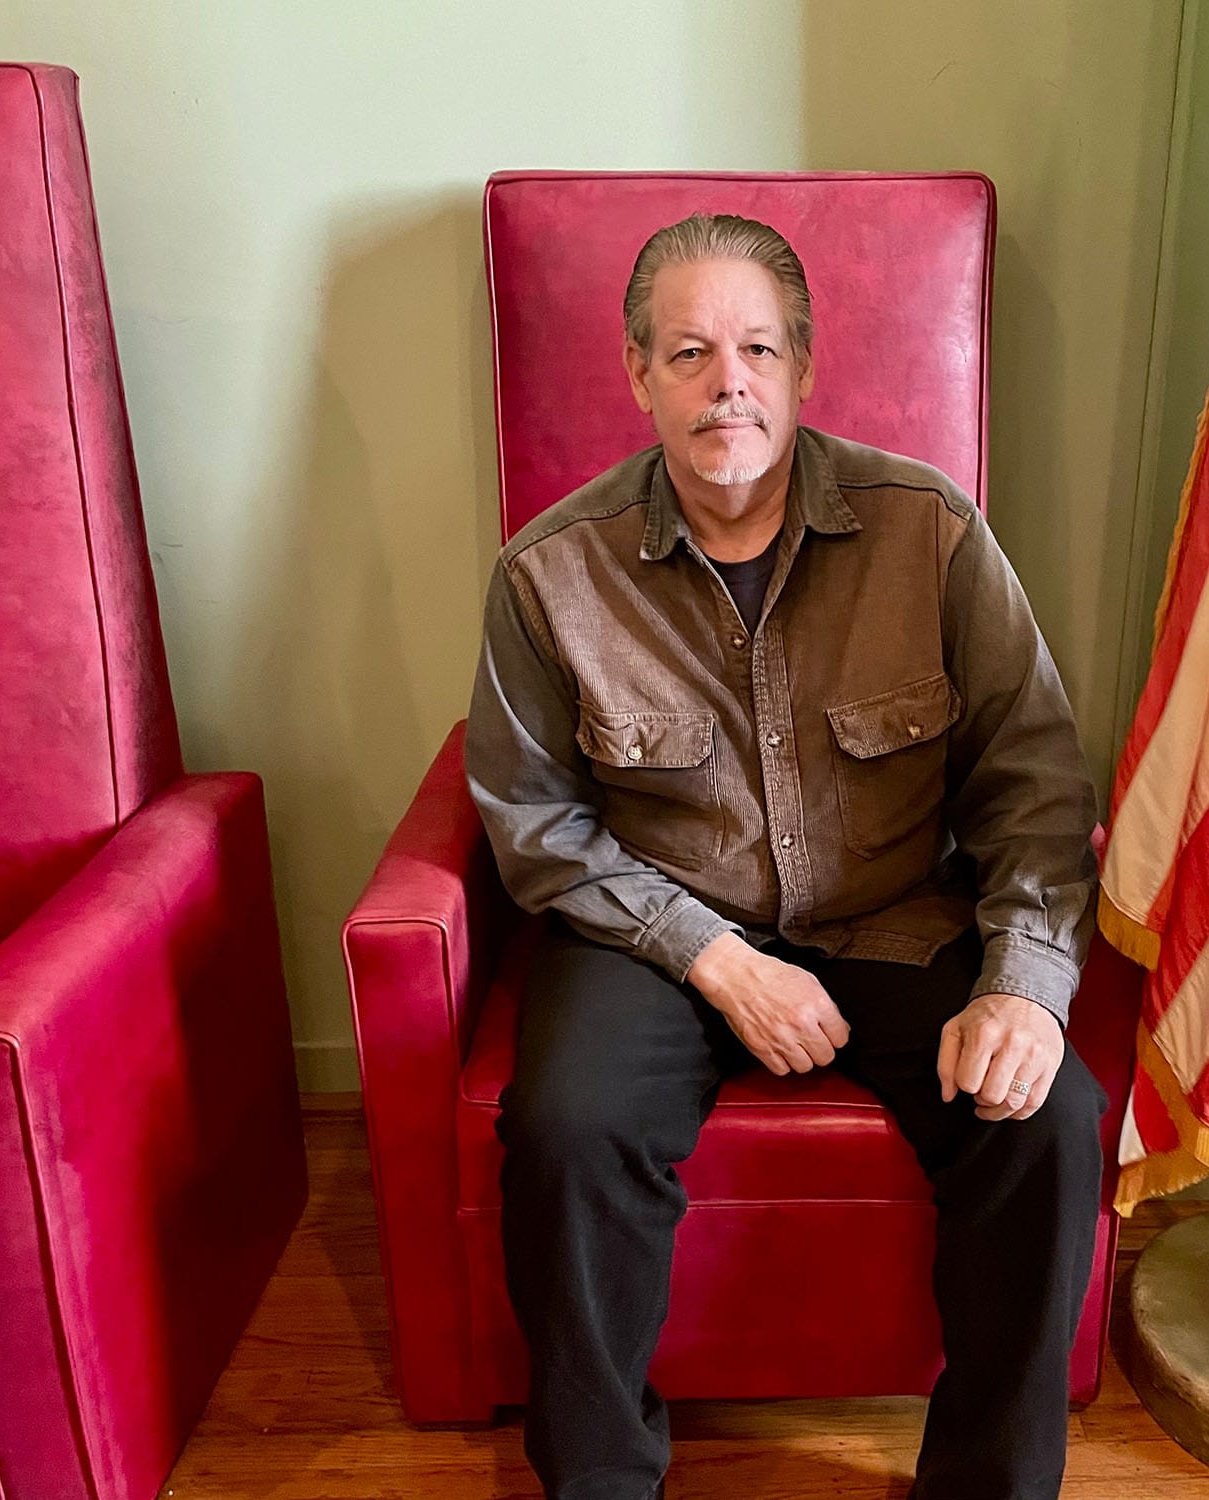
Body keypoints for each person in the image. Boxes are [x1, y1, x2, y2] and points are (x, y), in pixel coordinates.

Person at [465, 211, 1103, 1500]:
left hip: (897, 916)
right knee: (567, 1124)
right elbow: (536, 824)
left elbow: (1032, 779)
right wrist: (713, 959)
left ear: (804, 370)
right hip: (657, 934)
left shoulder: (930, 530)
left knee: (1051, 1121)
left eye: (758, 348)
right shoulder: (551, 572)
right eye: (690, 352)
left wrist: (1025, 984)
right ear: (638, 374)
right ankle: (598, 1480)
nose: (728, 382)